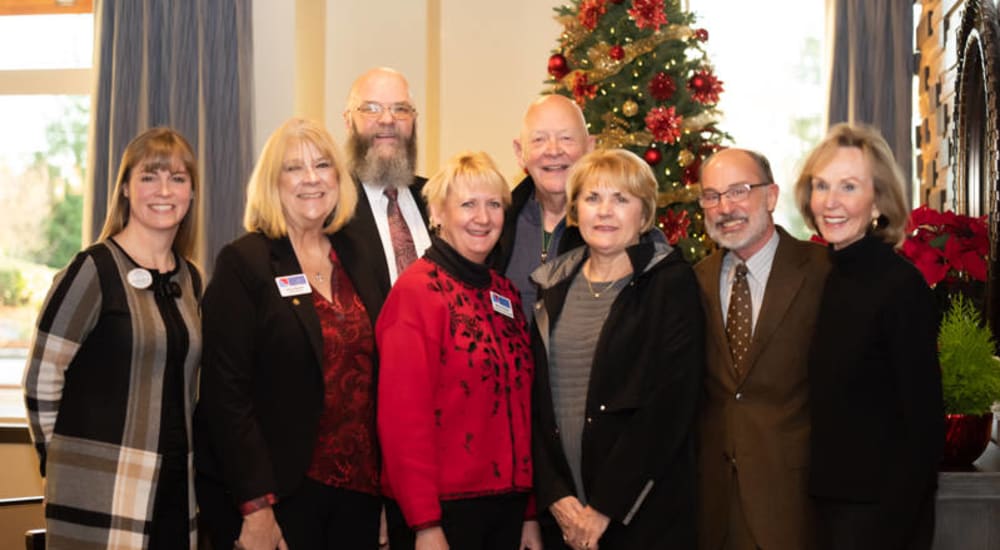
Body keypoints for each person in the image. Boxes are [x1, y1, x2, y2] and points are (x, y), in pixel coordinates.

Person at [195, 118, 383, 550]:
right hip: (282, 496)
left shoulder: (356, 256)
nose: (312, 178)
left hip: (360, 495)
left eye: (322, 165)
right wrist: (255, 507)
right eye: (294, 168)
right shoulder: (244, 264)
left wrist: (386, 500)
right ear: (272, 183)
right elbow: (226, 399)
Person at [23, 127, 202, 549]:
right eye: (148, 176)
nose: (163, 190)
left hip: (177, 487)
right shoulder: (93, 269)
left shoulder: (190, 278)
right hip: (101, 486)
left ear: (192, 193)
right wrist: (63, 457)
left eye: (177, 178)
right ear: (125, 188)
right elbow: (41, 376)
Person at [531, 148, 703, 549]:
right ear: (575, 211)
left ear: (644, 216)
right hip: (564, 516)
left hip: (640, 516)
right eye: (592, 198)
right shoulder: (552, 286)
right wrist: (555, 494)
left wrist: (604, 508)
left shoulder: (670, 285)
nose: (604, 211)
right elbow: (534, 404)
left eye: (621, 199)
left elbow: (669, 407)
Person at [376, 151, 541, 550]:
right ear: (437, 213)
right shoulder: (416, 293)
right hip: (442, 516)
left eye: (494, 204)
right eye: (467, 204)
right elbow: (402, 421)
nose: (482, 218)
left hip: (507, 509)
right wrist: (425, 524)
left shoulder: (505, 293)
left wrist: (529, 513)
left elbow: (523, 407)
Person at [794, 123, 944, 550]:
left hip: (880, 518)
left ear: (877, 198)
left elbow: (924, 427)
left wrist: (892, 529)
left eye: (848, 186)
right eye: (821, 186)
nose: (831, 202)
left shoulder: (900, 286)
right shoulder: (822, 275)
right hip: (824, 505)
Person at [694, 148, 829, 550]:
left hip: (796, 502)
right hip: (713, 507)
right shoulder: (694, 280)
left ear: (771, 196)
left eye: (739, 191)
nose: (724, 208)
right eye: (712, 195)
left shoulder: (824, 272)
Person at [334, 66, 431, 318]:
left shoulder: (438, 199)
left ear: (414, 121)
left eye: (400, 109)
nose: (387, 120)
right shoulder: (331, 207)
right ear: (348, 121)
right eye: (371, 109)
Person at [495, 94, 595, 318]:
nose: (553, 150)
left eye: (566, 138)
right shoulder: (495, 225)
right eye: (539, 140)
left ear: (590, 148)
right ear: (520, 153)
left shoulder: (610, 229)